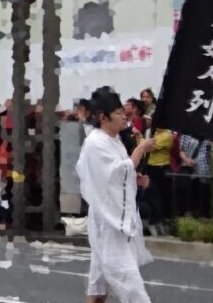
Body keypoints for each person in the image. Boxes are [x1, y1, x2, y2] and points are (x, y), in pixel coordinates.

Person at [76, 86, 155, 303]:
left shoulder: (113, 140)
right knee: (131, 285)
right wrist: (139, 151)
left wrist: (136, 179)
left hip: (112, 217)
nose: (124, 116)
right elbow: (115, 172)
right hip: (108, 221)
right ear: (103, 117)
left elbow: (120, 173)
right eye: (119, 113)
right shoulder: (96, 142)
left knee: (98, 288)